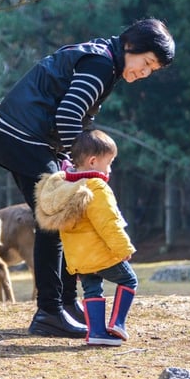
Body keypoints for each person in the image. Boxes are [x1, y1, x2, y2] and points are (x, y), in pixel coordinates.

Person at [0, 18, 174, 338]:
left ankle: (66, 304)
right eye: (146, 63)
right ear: (131, 47)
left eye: (151, 70)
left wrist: (67, 165)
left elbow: (70, 116)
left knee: (62, 217)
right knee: (56, 215)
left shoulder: (105, 60)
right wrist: (76, 169)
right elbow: (69, 115)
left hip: (22, 134)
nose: (144, 73)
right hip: (20, 135)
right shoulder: (101, 63)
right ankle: (49, 311)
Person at [34, 129, 138, 346]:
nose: (110, 169)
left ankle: (97, 333)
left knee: (92, 289)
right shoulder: (96, 187)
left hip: (79, 260)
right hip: (101, 254)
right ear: (93, 161)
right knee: (129, 280)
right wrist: (123, 248)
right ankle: (118, 323)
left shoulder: (65, 189)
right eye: (108, 163)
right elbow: (108, 223)